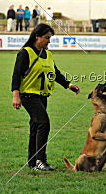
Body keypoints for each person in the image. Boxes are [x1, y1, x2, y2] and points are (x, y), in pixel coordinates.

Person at [11, 24, 80, 171]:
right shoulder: (25, 53)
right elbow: (16, 74)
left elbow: (54, 73)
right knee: (44, 123)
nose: (49, 41)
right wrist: (15, 95)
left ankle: (32, 161)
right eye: (47, 38)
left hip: (42, 96)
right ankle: (40, 160)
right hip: (28, 95)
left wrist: (68, 85)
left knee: (36, 127)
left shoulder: (47, 54)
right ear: (37, 36)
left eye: (50, 38)